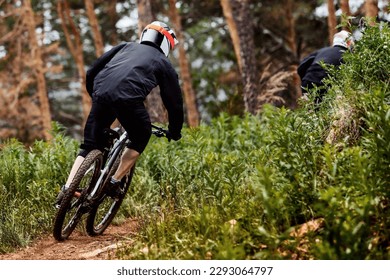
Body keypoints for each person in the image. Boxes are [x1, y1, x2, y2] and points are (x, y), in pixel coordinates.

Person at [55, 21, 184, 207]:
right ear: (166, 43)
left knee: (89, 145)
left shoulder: (125, 46)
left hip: (101, 94)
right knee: (141, 135)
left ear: (145, 35)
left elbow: (92, 71)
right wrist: (175, 130)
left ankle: (67, 189)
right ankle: (114, 182)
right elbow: (174, 103)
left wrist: (96, 96)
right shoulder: (164, 63)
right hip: (128, 101)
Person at [298, 30, 354, 103]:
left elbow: (301, 67)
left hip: (308, 82)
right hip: (326, 86)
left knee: (311, 110)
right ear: (349, 42)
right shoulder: (348, 56)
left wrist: (306, 78)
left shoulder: (322, 51)